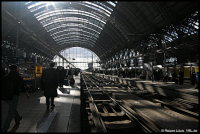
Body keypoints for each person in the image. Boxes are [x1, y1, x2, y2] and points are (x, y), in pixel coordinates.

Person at [1, 64, 25, 132]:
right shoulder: (19, 77)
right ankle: (5, 128)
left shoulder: (5, 77)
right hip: (14, 96)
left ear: (10, 69)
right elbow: (22, 87)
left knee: (12, 108)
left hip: (6, 97)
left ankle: (17, 118)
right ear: (16, 69)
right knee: (11, 112)